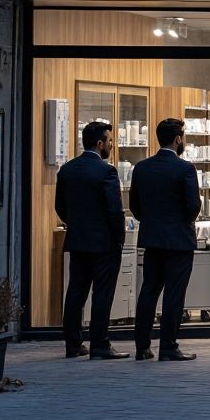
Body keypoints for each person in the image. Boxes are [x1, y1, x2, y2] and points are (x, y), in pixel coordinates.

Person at [56, 121, 128, 360]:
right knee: (102, 294)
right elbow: (115, 210)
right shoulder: (107, 172)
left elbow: (60, 207)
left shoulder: (67, 170)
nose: (111, 145)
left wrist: (76, 224)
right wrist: (119, 237)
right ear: (99, 144)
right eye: (109, 141)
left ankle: (73, 344)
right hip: (104, 243)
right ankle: (99, 344)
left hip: (77, 240)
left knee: (76, 292)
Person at [130, 118, 200, 362]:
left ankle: (142, 347)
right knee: (174, 294)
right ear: (178, 139)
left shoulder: (142, 168)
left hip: (152, 239)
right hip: (179, 241)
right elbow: (193, 206)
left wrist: (152, 221)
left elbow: (135, 206)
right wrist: (183, 222)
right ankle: (168, 347)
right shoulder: (185, 169)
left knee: (149, 290)